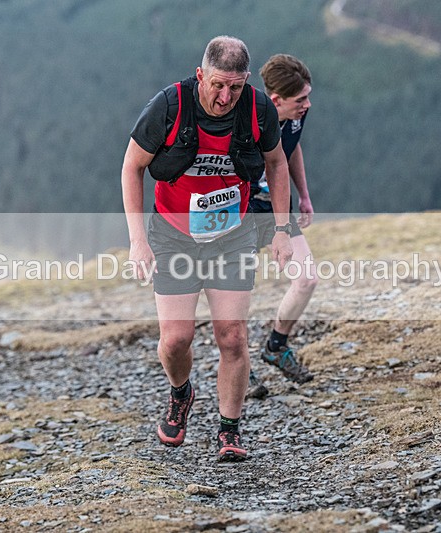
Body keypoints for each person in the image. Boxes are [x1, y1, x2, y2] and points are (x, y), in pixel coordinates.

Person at [121, 36, 293, 462]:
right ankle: (181, 393)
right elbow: (131, 167)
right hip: (172, 235)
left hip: (231, 236)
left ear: (246, 81)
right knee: (175, 340)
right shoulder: (168, 106)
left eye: (235, 87)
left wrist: (283, 229)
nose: (225, 97)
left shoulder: (258, 109)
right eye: (217, 85)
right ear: (200, 74)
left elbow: (277, 163)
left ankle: (229, 431)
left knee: (232, 337)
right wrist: (138, 240)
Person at [247, 54, 317, 398]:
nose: (307, 104)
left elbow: (292, 148)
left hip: (277, 209)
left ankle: (276, 346)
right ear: (276, 101)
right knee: (234, 292)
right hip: (240, 211)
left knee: (306, 278)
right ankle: (237, 367)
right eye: (300, 99)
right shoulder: (247, 122)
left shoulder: (295, 116)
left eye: (307, 96)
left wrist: (303, 195)